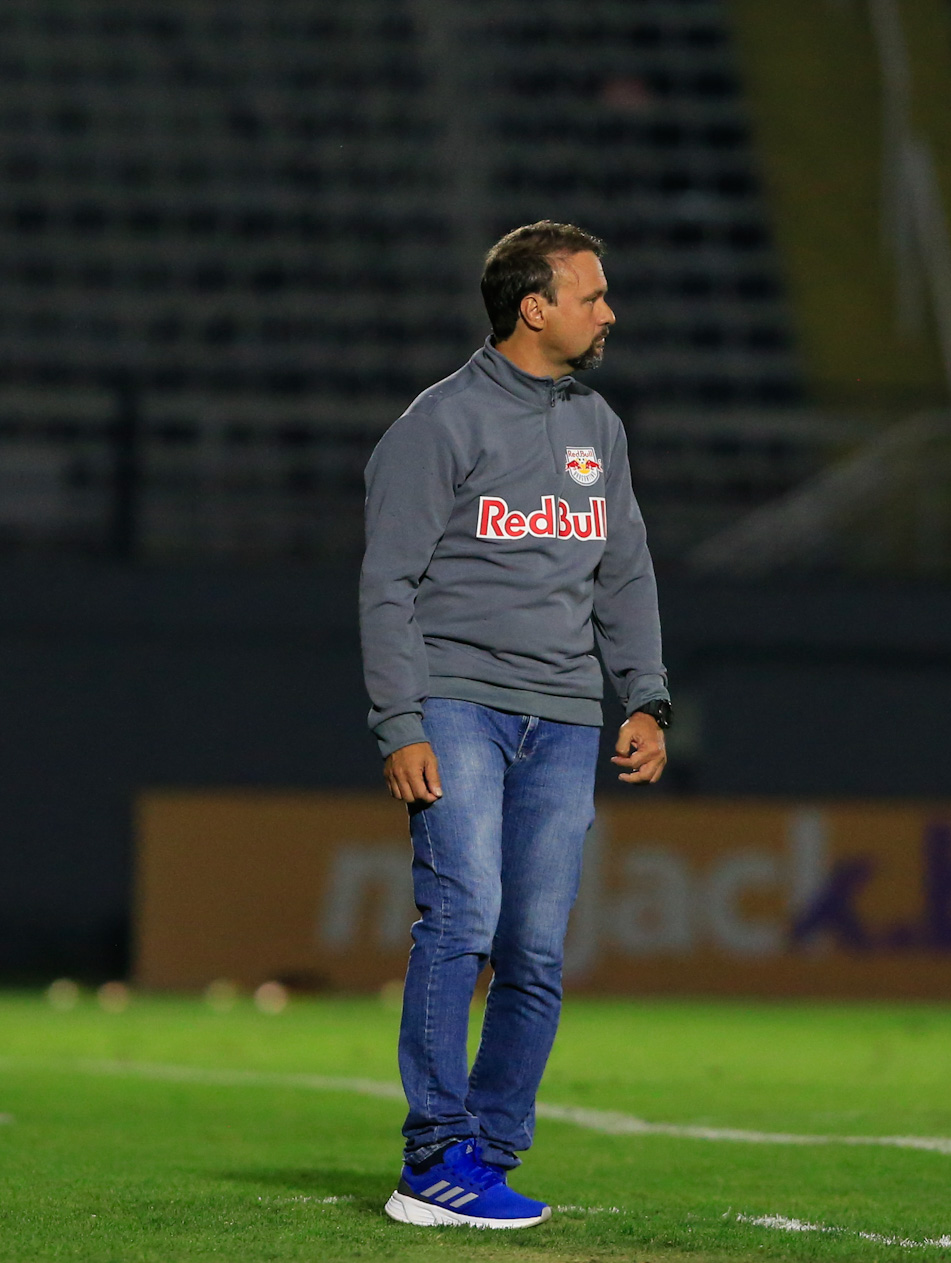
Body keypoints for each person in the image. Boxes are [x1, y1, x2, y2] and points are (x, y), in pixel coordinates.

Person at [359, 222, 671, 1228]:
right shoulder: (437, 423)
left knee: (534, 946)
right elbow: (386, 585)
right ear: (532, 307)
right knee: (461, 918)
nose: (607, 312)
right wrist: (398, 720)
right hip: (455, 703)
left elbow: (622, 571)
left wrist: (646, 694)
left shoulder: (598, 428)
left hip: (564, 717)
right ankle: (430, 1159)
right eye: (590, 295)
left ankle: (487, 1155)